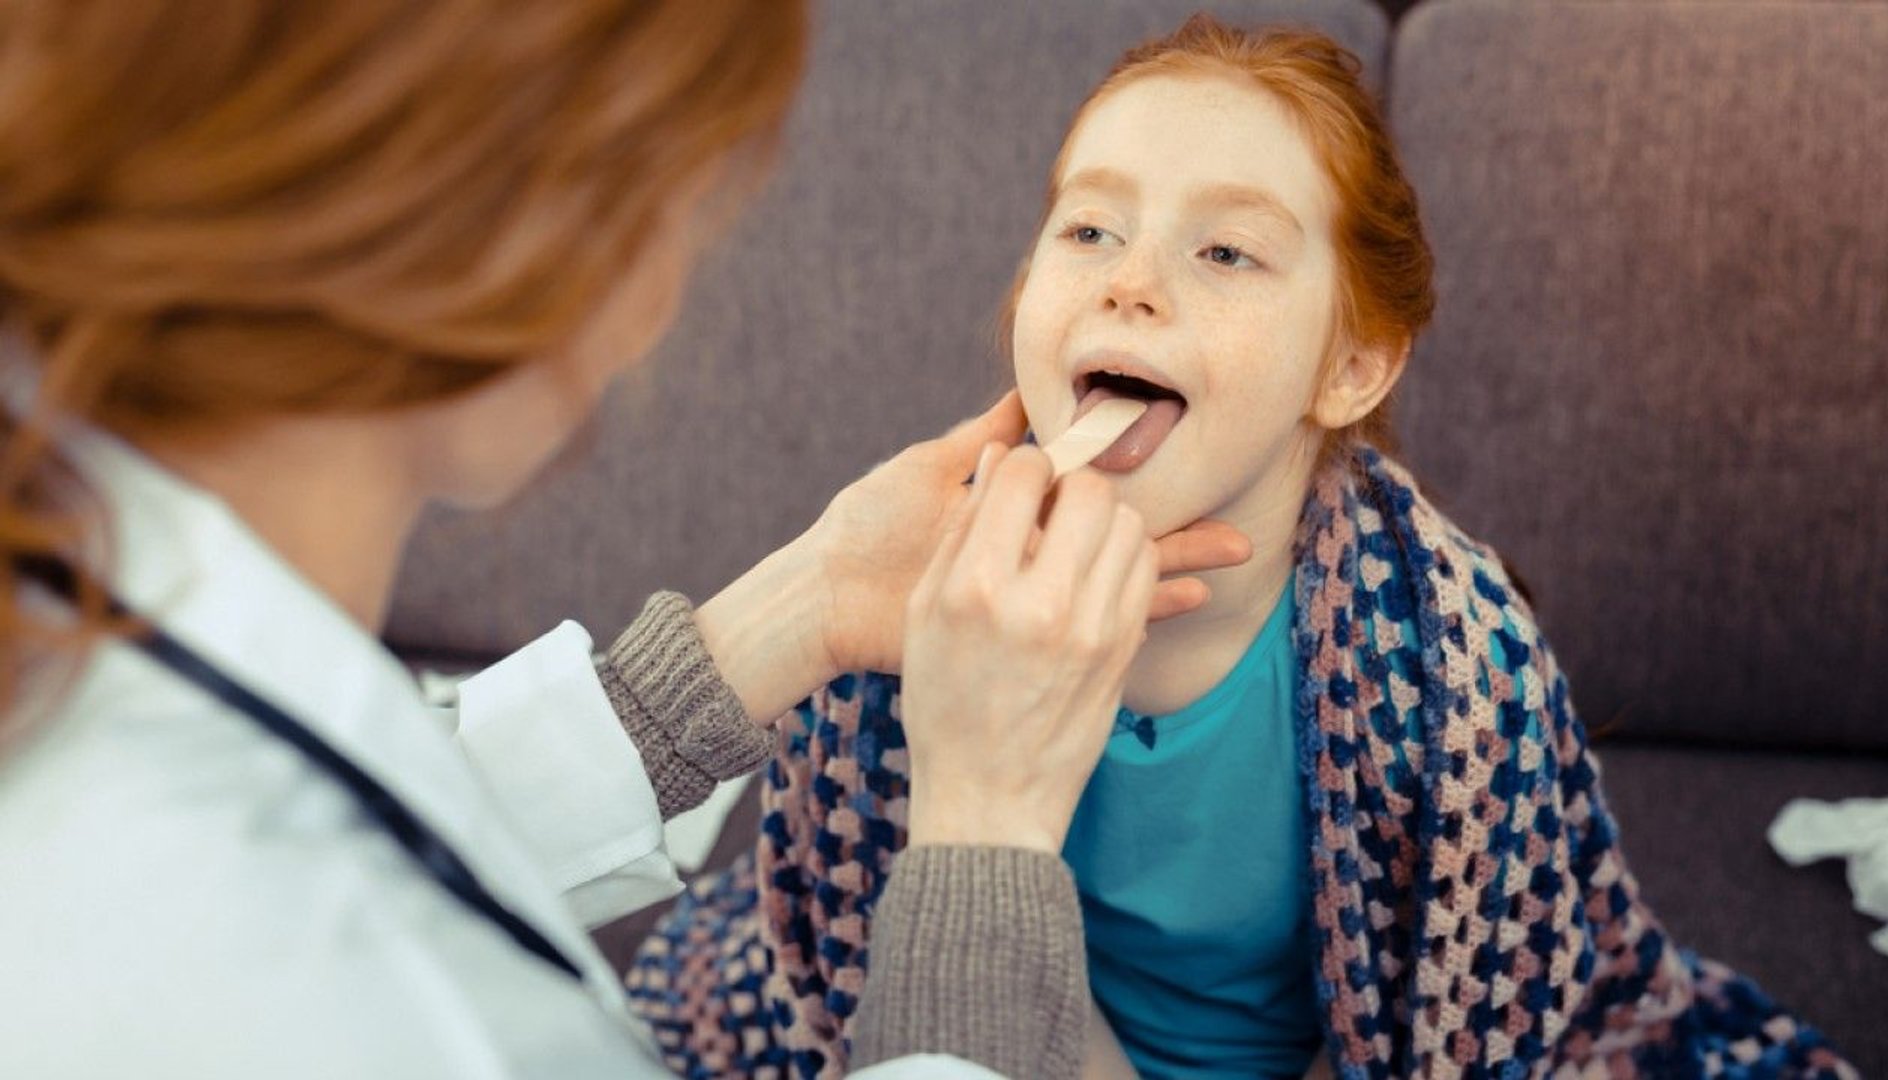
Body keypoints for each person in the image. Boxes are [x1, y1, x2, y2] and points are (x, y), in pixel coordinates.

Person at [0, 3, 1253, 1078]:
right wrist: (985, 821)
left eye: (1229, 251)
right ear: (525, 236)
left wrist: (802, 607)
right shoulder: (391, 1013)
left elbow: (377, 819)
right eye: (686, 198)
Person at [634, 15, 1858, 1080]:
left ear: (1350, 365)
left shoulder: (1456, 679)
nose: (1133, 285)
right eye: (1089, 231)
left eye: (1225, 251)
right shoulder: (905, 628)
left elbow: (1441, 1031)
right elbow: (869, 954)